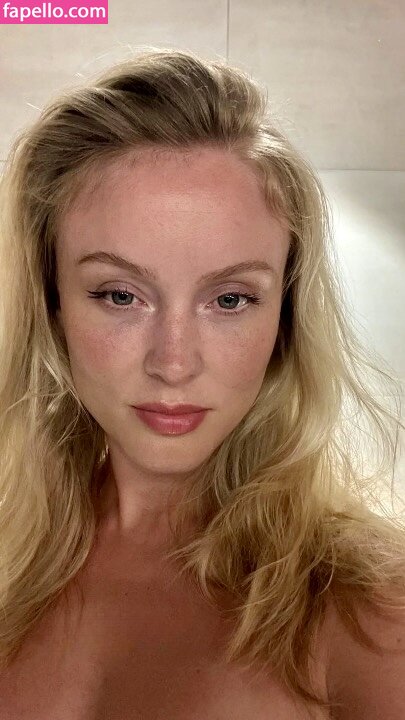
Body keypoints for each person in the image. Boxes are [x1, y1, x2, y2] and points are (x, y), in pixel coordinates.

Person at [0, 46, 404, 719]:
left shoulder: (368, 608)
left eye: (230, 299)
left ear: (284, 318)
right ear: (52, 303)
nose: (174, 363)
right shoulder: (11, 557)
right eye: (120, 295)